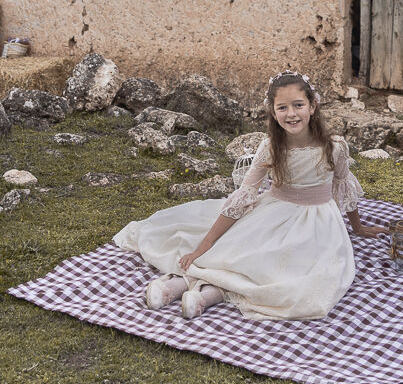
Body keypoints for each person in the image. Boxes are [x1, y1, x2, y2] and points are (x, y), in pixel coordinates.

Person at [113, 70, 387, 320]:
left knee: (293, 275)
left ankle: (204, 296)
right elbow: (243, 196)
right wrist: (204, 245)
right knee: (239, 252)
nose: (291, 114)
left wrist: (358, 227)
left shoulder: (334, 147)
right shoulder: (270, 148)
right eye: (283, 107)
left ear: (313, 106)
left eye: (298, 105)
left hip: (319, 225)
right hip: (274, 213)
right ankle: (175, 285)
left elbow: (343, 186)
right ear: (273, 111)